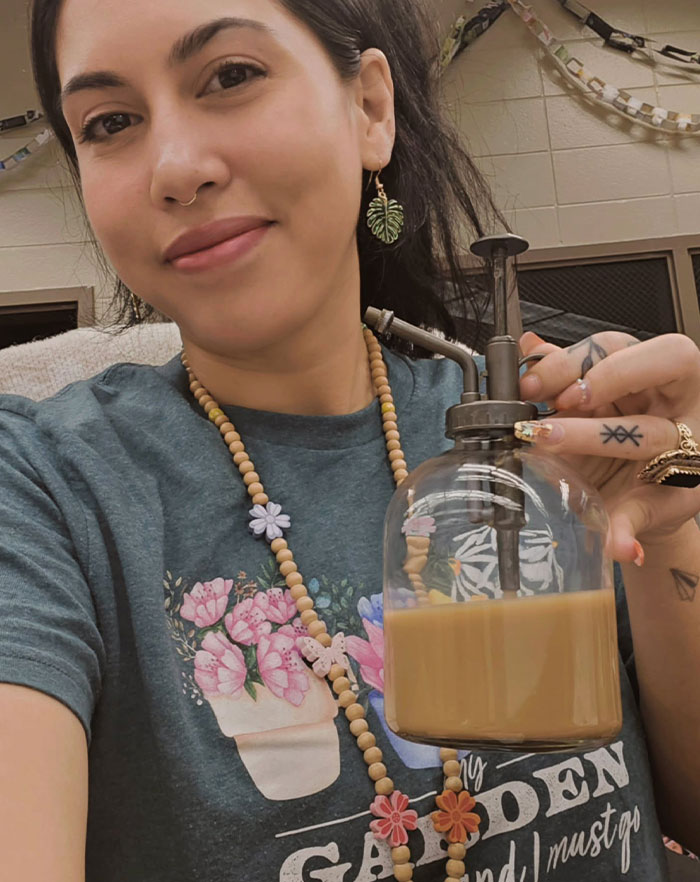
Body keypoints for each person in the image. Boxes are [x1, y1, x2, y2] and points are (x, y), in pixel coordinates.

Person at [1, 0, 699, 879]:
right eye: (110, 123)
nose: (175, 169)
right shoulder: (41, 487)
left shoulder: (540, 445)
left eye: (230, 76)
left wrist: (669, 526)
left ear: (370, 108)